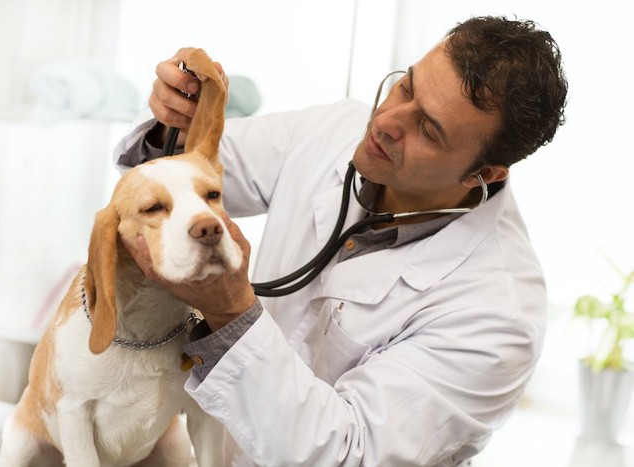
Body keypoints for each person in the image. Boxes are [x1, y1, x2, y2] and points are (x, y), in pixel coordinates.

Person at [114, 15, 568, 467]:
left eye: (428, 129)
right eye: (406, 87)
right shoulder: (336, 129)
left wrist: (231, 313)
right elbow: (189, 166)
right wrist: (172, 121)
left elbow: (349, 454)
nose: (387, 121)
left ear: (482, 174)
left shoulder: (498, 314)